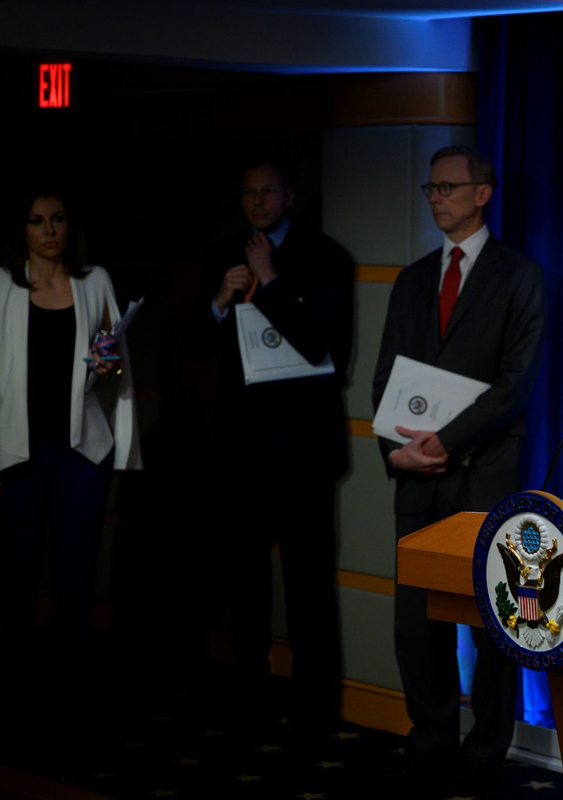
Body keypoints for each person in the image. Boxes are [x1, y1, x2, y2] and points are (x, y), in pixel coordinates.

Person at [373, 145, 546, 791]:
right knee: (416, 622)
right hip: (415, 477)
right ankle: (431, 735)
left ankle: (488, 744)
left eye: (447, 187)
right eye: (430, 188)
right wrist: (395, 449)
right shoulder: (412, 279)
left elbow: (515, 383)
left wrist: (446, 441)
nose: (436, 198)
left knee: (494, 615)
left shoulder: (519, 276)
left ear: (482, 193)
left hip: (483, 473)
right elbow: (386, 376)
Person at [188, 160, 353, 735]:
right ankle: (249, 694)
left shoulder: (326, 257)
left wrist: (270, 280)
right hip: (241, 451)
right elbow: (196, 347)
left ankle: (315, 708)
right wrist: (219, 300)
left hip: (305, 452)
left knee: (308, 586)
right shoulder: (223, 254)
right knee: (245, 584)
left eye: (268, 191)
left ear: (289, 195)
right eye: (248, 192)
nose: (257, 201)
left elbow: (322, 346)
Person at [0, 188, 141, 670]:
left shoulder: (93, 280)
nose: (49, 231)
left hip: (80, 452)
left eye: (58, 219)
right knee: (16, 578)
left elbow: (113, 359)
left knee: (75, 578)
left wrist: (108, 366)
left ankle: (72, 684)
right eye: (37, 221)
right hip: (16, 452)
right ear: (21, 228)